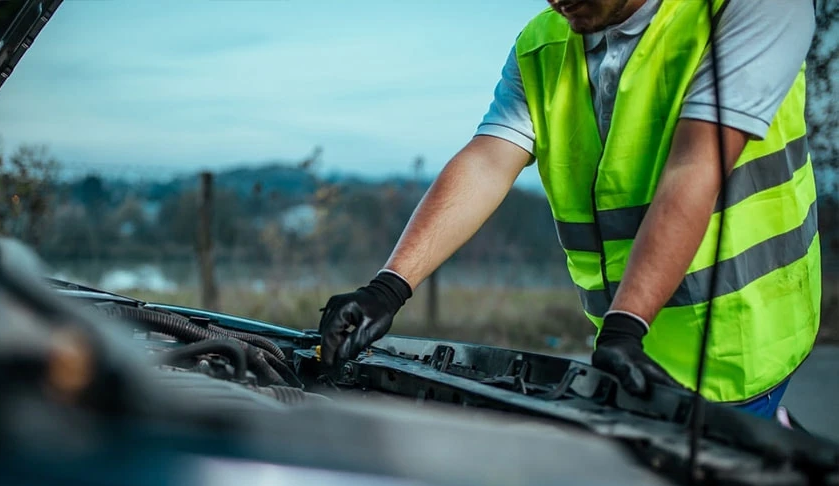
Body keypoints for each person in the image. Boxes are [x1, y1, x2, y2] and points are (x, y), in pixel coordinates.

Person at [317, 0, 820, 419]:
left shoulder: (751, 8)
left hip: (740, 341)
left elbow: (696, 165)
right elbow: (488, 162)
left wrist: (627, 324)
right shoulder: (543, 41)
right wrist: (387, 288)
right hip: (627, 346)